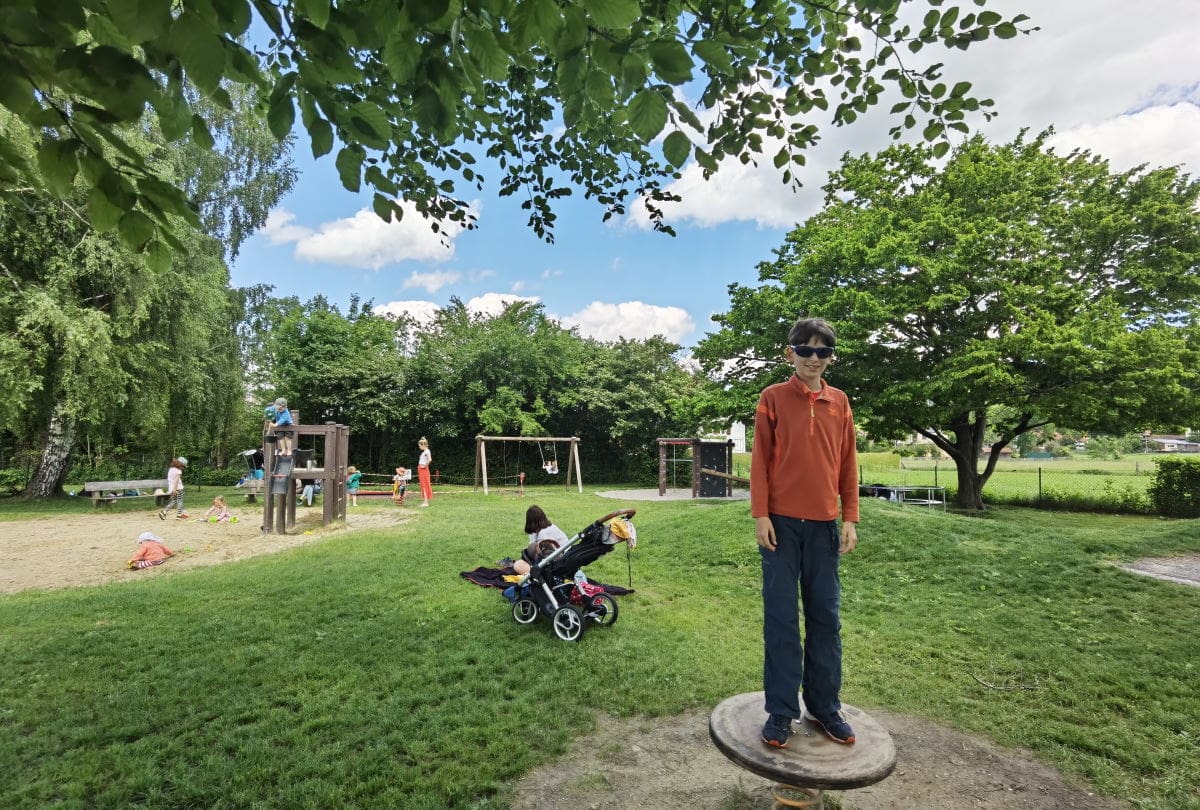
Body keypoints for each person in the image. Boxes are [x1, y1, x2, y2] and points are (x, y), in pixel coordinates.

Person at [752, 316, 860, 749]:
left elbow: (849, 463)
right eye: (805, 350)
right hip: (779, 527)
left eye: (823, 352)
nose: (814, 359)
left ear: (830, 358)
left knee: (826, 619)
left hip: (823, 529)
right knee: (781, 621)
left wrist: (849, 517)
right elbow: (760, 460)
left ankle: (824, 705)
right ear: (789, 353)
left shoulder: (841, 402)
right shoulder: (772, 398)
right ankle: (780, 711)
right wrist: (761, 514)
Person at [512, 505, 570, 575]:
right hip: (550, 557)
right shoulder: (535, 531)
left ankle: (535, 574)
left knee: (519, 565)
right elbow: (532, 547)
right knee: (521, 562)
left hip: (561, 559)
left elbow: (546, 554)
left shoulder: (545, 532)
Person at [416, 437, 433, 507]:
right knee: (423, 485)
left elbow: (430, 460)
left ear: (423, 445)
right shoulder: (424, 452)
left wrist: (425, 466)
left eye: (420, 446)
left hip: (424, 470)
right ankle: (425, 502)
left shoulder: (427, 451)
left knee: (425, 485)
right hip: (421, 470)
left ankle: (426, 503)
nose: (419, 447)